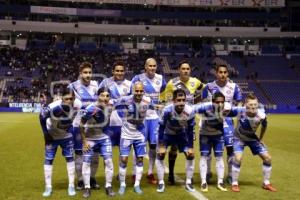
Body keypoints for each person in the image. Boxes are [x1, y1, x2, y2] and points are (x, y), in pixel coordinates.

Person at [160, 60, 205, 184]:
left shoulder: (195, 82)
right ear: (179, 70)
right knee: (173, 148)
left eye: (188, 69)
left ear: (190, 70)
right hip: (175, 120)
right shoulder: (172, 83)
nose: (185, 71)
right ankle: (171, 174)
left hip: (188, 121)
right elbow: (165, 98)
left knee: (189, 148)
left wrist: (197, 101)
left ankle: (189, 178)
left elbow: (206, 89)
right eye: (183, 69)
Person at [202, 60, 242, 184]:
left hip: (227, 122)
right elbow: (203, 101)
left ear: (227, 74)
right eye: (220, 72)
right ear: (216, 73)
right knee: (208, 149)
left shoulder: (234, 87)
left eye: (225, 72)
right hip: (211, 122)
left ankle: (230, 174)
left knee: (230, 149)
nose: (223, 74)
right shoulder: (208, 87)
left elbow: (239, 102)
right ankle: (207, 172)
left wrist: (235, 113)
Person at [230, 93, 277, 192]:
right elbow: (227, 114)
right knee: (238, 158)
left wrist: (261, 139)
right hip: (239, 138)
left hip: (252, 138)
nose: (253, 107)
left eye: (255, 104)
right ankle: (234, 183)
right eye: (251, 105)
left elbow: (264, 126)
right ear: (245, 105)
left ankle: (266, 183)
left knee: (268, 158)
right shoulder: (240, 111)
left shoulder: (262, 115)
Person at [131, 58, 166, 184]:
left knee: (153, 146)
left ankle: (150, 172)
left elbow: (162, 91)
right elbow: (132, 95)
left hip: (155, 118)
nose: (152, 68)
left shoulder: (161, 79)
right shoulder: (137, 78)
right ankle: (135, 173)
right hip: (141, 118)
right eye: (150, 66)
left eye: (154, 66)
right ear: (145, 66)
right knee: (138, 145)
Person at [39, 88, 79, 197]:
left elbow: (78, 118)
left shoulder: (77, 105)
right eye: (67, 99)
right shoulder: (53, 107)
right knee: (49, 160)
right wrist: (45, 133)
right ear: (62, 99)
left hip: (67, 136)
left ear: (74, 98)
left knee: (70, 158)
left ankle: (71, 186)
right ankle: (48, 187)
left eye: (71, 98)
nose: (69, 101)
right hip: (52, 136)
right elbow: (41, 117)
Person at [116, 82, 155, 195]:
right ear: (133, 90)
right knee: (123, 160)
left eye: (140, 91)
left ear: (143, 91)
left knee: (140, 159)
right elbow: (112, 105)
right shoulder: (125, 100)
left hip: (140, 133)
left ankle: (137, 185)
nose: (138, 93)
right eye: (136, 91)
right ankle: (122, 184)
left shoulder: (148, 101)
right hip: (126, 133)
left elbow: (157, 108)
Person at [156, 89, 195, 193]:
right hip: (166, 134)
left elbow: (190, 130)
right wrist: (161, 145)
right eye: (178, 100)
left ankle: (188, 182)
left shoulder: (190, 111)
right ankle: (161, 183)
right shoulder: (167, 110)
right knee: (160, 154)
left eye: (183, 100)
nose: (181, 102)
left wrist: (190, 147)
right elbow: (161, 128)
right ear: (173, 101)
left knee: (190, 155)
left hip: (180, 134)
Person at [68, 62, 100, 190]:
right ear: (80, 73)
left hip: (94, 126)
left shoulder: (96, 85)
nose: (88, 75)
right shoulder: (73, 86)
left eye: (89, 72)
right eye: (85, 73)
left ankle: (92, 178)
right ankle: (81, 180)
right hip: (78, 125)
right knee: (80, 154)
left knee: (95, 155)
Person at [80, 87, 116, 198]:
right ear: (98, 96)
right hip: (90, 139)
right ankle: (87, 188)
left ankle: (108, 186)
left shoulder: (110, 107)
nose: (105, 98)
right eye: (102, 95)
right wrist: (84, 141)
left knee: (109, 161)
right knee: (86, 163)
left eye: (107, 96)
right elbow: (81, 124)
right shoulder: (91, 108)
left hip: (104, 138)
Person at [194, 92, 230, 192]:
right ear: (212, 102)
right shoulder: (205, 107)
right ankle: (203, 182)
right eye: (217, 102)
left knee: (219, 157)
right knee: (204, 157)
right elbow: (192, 109)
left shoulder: (227, 108)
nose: (220, 104)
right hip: (205, 134)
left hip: (218, 135)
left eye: (222, 102)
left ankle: (220, 182)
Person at [99, 61, 131, 146]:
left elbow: (133, 101)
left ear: (124, 72)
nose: (119, 73)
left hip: (125, 122)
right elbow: (98, 97)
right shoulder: (105, 82)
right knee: (107, 150)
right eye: (117, 71)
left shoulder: (129, 84)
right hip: (109, 121)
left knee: (124, 150)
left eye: (121, 71)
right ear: (113, 71)